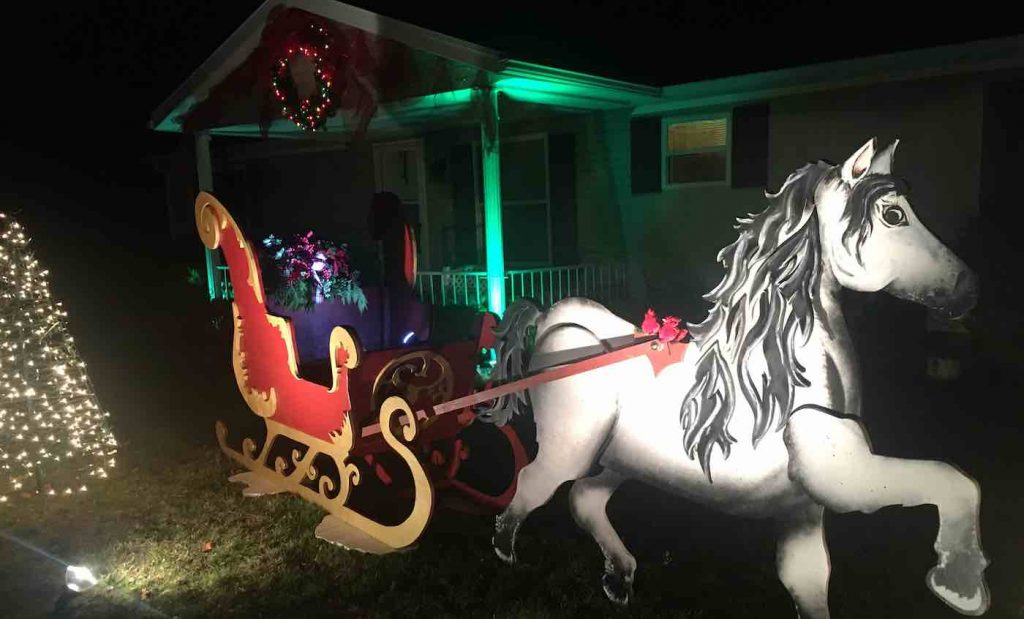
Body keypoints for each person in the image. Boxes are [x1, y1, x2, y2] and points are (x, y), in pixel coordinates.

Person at [368, 192, 417, 346]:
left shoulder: (392, 230)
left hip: (395, 281)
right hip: (402, 280)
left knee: (395, 319)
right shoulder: (404, 226)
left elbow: (393, 257)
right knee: (399, 319)